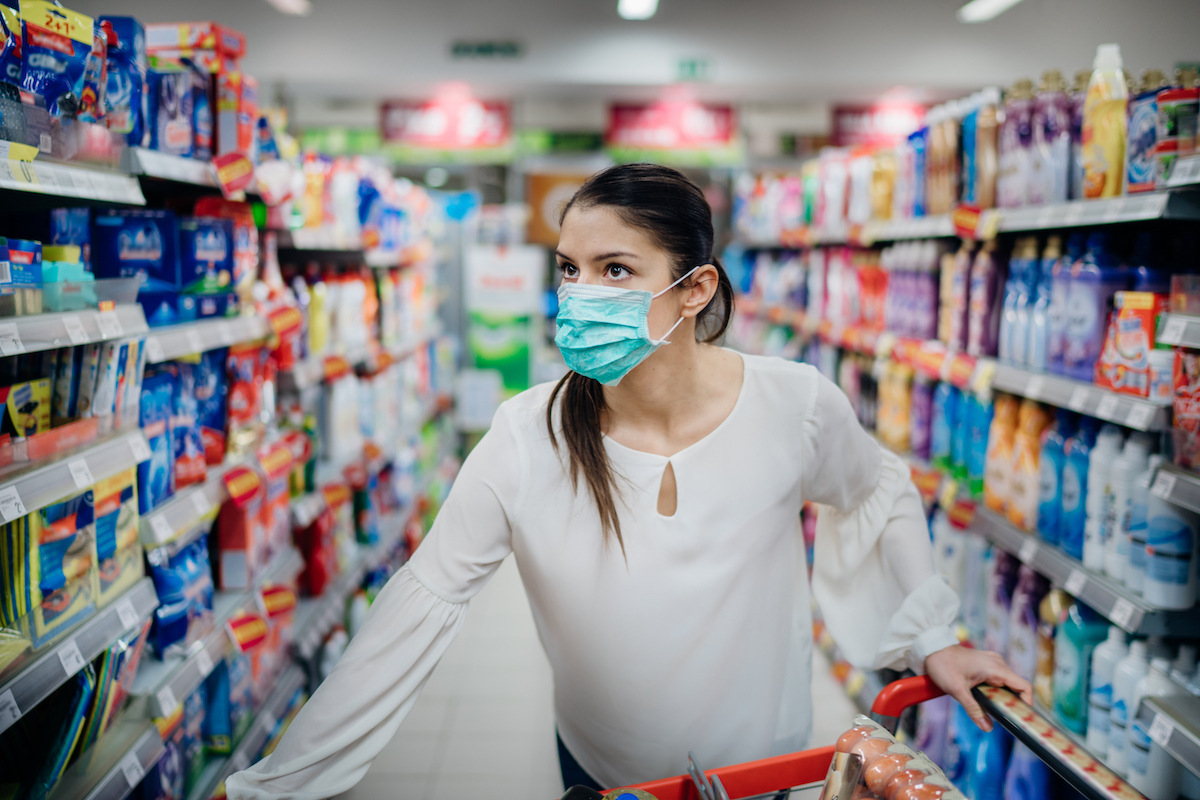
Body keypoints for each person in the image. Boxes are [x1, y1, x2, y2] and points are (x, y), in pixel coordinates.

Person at [227, 163, 1030, 800]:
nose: (581, 295)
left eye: (616, 269)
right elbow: (417, 610)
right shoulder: (526, 434)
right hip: (604, 779)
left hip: (770, 779)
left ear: (696, 289)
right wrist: (275, 786)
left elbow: (877, 491)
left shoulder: (794, 405)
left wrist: (933, 639)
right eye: (570, 270)